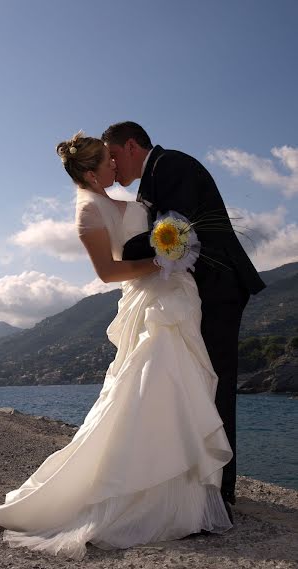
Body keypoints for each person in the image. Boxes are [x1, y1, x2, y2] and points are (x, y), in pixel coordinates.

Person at [0, 132, 234, 559]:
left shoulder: (118, 195)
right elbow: (107, 273)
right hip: (153, 297)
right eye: (109, 163)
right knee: (152, 379)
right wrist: (159, 261)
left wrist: (172, 253)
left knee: (179, 384)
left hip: (175, 294)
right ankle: (142, 494)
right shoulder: (88, 212)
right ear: (95, 176)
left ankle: (182, 493)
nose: (118, 165)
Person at [102, 121, 266, 516]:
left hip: (219, 287)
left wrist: (123, 246)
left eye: (112, 154)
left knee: (217, 379)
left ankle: (221, 489)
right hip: (197, 291)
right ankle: (200, 481)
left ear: (130, 146)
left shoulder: (172, 165)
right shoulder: (156, 175)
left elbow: (174, 229)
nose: (111, 164)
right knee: (198, 378)